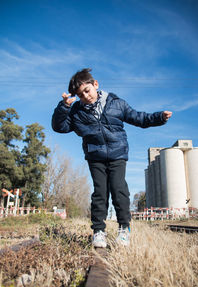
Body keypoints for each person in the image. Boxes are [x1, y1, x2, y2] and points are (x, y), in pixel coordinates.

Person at [52, 68, 172, 247]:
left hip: (117, 153)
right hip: (95, 156)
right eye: (80, 94)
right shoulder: (76, 111)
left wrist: (159, 117)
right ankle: (98, 231)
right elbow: (59, 126)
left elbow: (139, 118)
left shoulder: (116, 103)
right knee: (100, 192)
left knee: (118, 189)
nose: (85, 96)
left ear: (95, 85)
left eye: (87, 90)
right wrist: (64, 106)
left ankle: (124, 229)